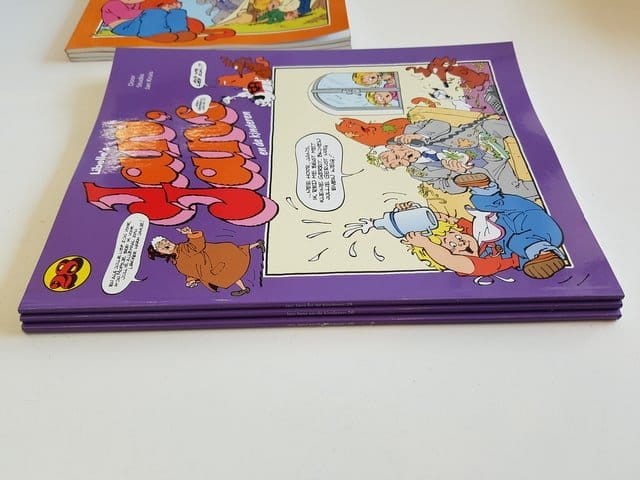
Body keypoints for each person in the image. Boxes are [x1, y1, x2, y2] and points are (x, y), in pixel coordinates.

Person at [400, 173, 565, 279]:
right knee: (516, 242)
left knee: (483, 204)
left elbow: (445, 220)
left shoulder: (474, 232)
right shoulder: (488, 262)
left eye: (456, 237)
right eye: (453, 247)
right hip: (544, 233)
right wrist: (426, 244)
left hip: (516, 210)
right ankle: (544, 254)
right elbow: (450, 260)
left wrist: (411, 214)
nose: (459, 242)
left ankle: (483, 187)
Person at [366, 116, 538, 199]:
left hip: (481, 138)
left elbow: (442, 125)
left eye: (397, 155)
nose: (404, 160)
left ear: (394, 146)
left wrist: (420, 136)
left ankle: (537, 134)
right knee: (514, 192)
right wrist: (458, 176)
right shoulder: (417, 172)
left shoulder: (411, 131)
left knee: (492, 125)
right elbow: (447, 187)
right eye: (397, 164)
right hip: (485, 166)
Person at [147, 226, 264, 296]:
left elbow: (197, 245)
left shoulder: (183, 248)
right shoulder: (177, 262)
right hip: (210, 271)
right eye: (162, 247)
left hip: (215, 260)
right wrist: (191, 280)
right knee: (231, 275)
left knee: (236, 257)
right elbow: (190, 271)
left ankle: (257, 244)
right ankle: (244, 289)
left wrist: (190, 234)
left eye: (166, 242)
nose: (166, 245)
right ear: (161, 253)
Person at [101, 0, 196, 42]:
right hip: (123, 27)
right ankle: (152, 34)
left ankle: (180, 31)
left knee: (172, 12)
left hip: (138, 22)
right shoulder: (113, 3)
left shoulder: (138, 4)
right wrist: (159, 10)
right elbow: (127, 14)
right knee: (153, 13)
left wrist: (172, 7)